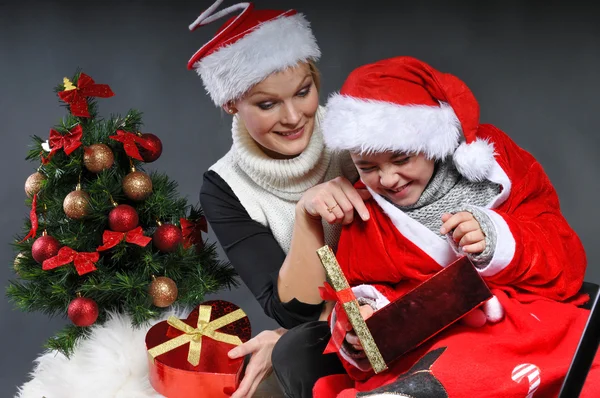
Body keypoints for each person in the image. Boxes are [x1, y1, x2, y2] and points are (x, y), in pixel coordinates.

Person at [310, 56, 600, 397]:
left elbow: (565, 259)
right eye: (367, 166)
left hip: (525, 327)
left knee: (553, 359)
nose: (387, 179)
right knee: (447, 365)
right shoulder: (363, 214)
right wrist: (358, 328)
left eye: (402, 159)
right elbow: (349, 294)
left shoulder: (496, 168)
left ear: (432, 143)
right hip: (429, 350)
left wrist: (498, 239)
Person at [187, 2, 366, 397]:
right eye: (267, 104)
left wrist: (287, 335)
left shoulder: (356, 128)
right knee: (295, 353)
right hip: (336, 331)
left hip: (396, 299)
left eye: (303, 92)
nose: (293, 117)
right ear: (231, 103)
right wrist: (306, 217)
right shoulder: (225, 187)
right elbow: (290, 310)